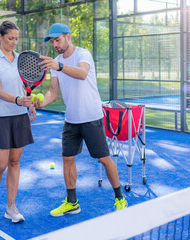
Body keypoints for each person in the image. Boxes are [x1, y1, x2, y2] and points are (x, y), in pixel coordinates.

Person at [35, 23, 127, 217]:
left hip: (91, 117)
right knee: (67, 158)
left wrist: (59, 66)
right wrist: (41, 102)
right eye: (52, 41)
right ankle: (72, 202)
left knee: (103, 158)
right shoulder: (56, 62)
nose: (55, 44)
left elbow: (82, 74)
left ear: (68, 37)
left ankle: (120, 198)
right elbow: (53, 91)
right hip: (71, 119)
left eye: (57, 39)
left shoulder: (83, 54)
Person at [0, 20, 36, 224]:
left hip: (19, 117)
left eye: (16, 39)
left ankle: (11, 207)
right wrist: (19, 100)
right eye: (10, 38)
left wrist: (29, 104)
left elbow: (23, 86)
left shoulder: (21, 59)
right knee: (0, 165)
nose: (14, 42)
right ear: (0, 37)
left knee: (14, 162)